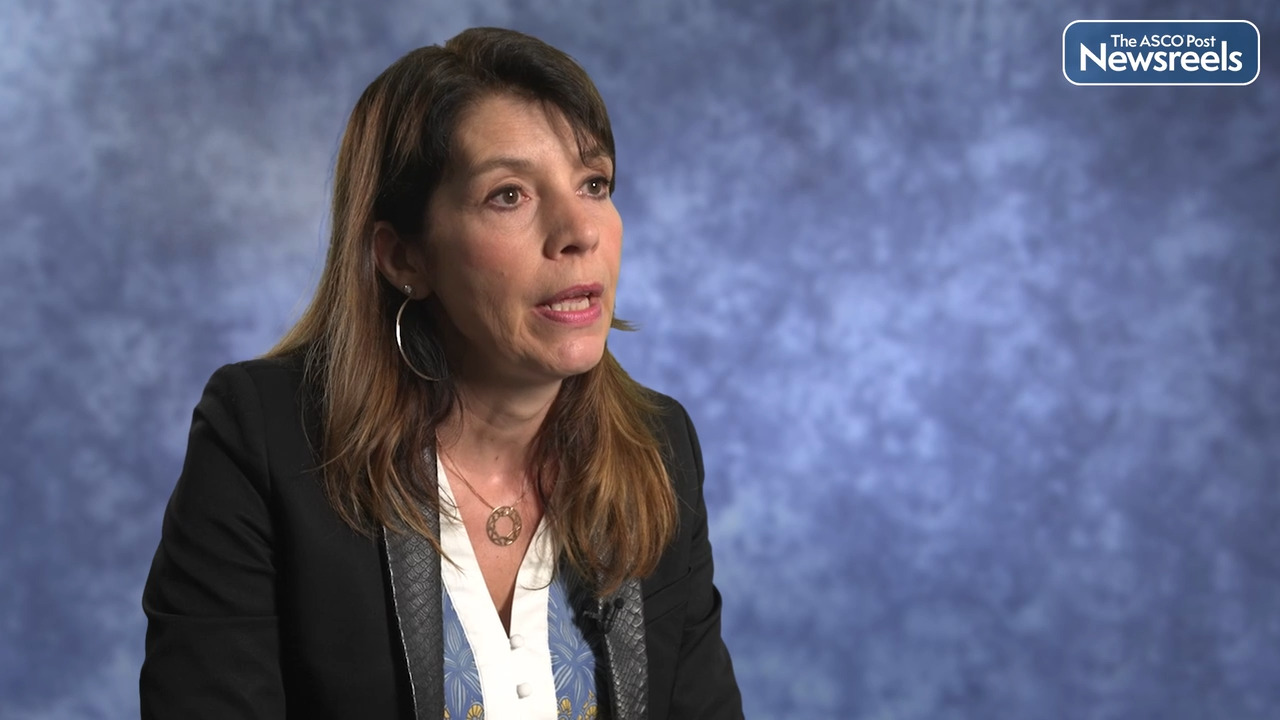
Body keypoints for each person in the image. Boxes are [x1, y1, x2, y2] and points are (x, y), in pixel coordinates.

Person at [139, 26, 743, 720]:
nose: (581, 231)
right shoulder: (264, 441)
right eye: (509, 195)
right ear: (405, 258)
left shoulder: (660, 447)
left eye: (594, 183)